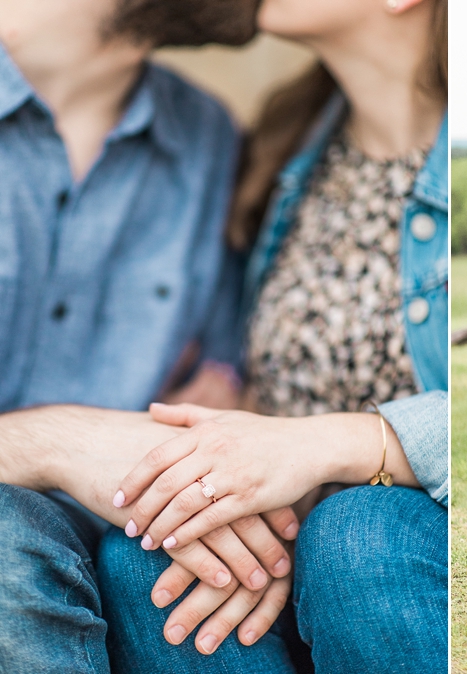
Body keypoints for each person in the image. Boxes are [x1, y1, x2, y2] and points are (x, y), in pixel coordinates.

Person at [99, 0, 449, 671]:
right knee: (150, 547)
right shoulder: (287, 148)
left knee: (362, 532)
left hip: (402, 549)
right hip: (297, 541)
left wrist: (330, 446)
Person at [0, 1, 301, 671]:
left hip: (134, 527)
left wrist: (217, 492)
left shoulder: (205, 137)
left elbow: (223, 375)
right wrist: (58, 443)